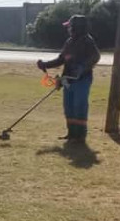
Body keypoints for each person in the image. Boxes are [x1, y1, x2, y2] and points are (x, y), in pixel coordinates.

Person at [37, 14, 101, 142]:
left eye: (70, 27)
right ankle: (71, 134)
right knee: (68, 106)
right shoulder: (69, 42)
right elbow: (61, 59)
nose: (68, 29)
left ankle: (80, 136)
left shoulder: (87, 41)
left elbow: (96, 56)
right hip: (67, 79)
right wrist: (45, 64)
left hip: (82, 79)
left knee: (79, 106)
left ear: (77, 27)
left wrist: (83, 67)